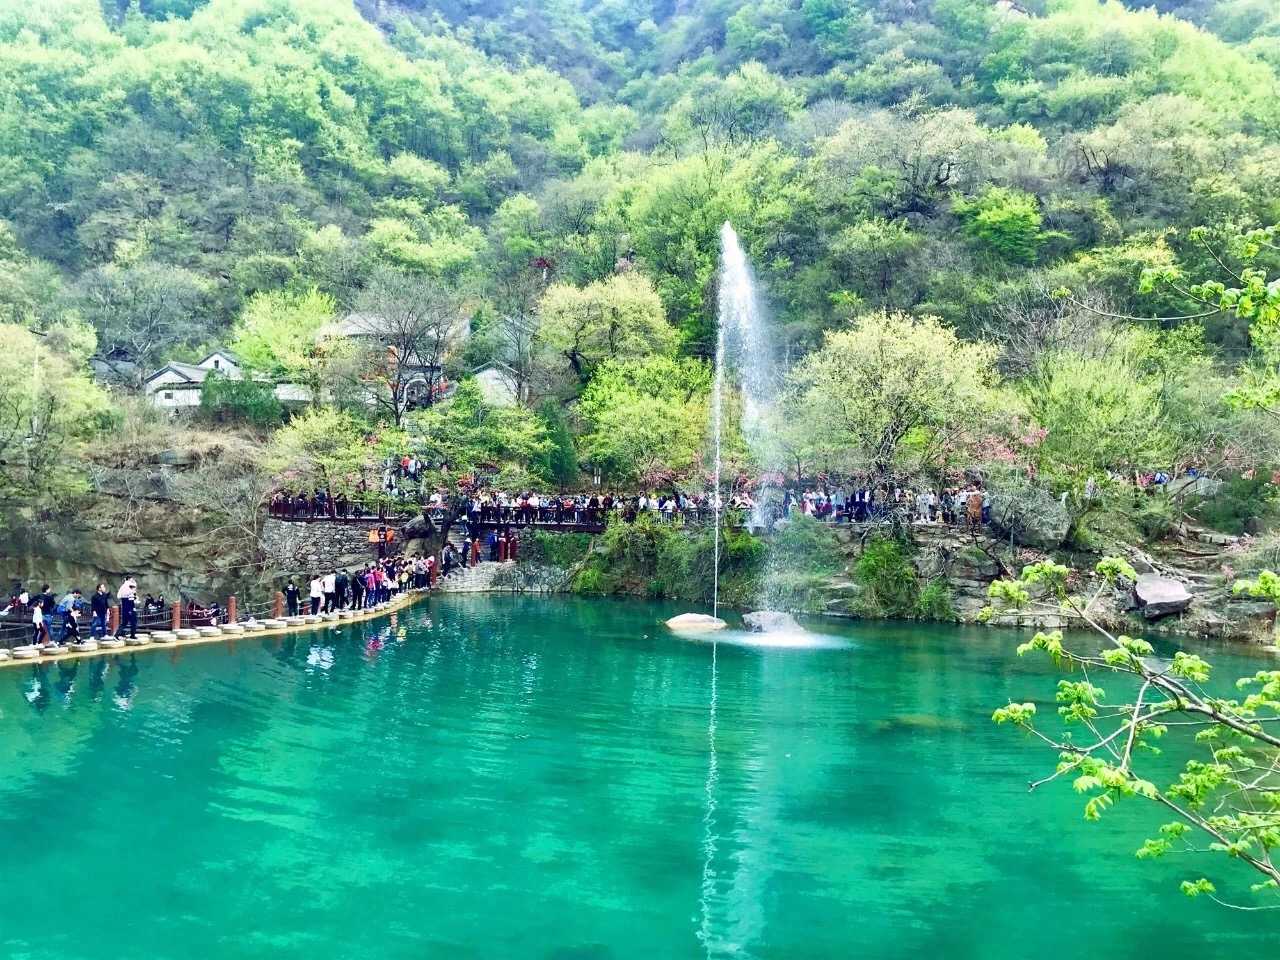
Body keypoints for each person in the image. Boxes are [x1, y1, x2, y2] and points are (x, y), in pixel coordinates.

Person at [114, 576, 138, 640]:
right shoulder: (128, 585)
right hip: (128, 606)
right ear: (129, 579)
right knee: (133, 621)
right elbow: (128, 595)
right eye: (132, 579)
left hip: (126, 606)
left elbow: (119, 596)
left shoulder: (124, 586)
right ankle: (132, 635)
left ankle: (117, 634)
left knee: (125, 622)